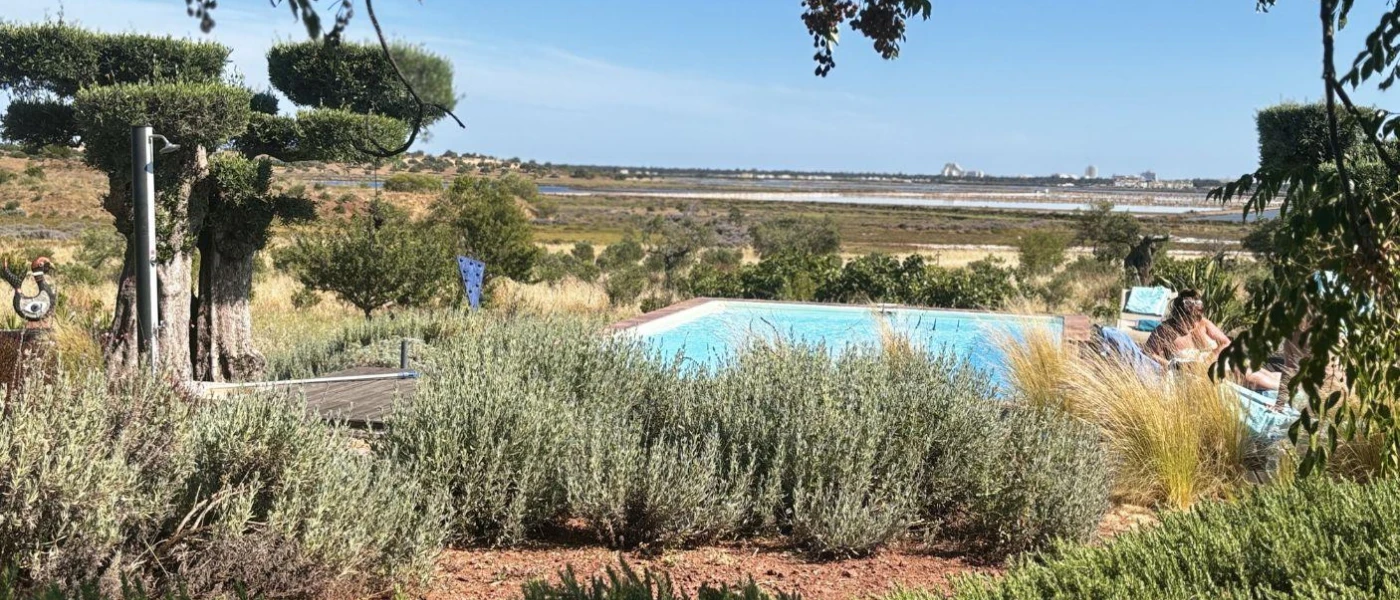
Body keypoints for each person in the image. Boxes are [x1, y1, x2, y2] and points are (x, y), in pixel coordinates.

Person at [1144, 290, 1231, 366]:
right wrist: (1170, 365)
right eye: (1187, 320)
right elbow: (1147, 352)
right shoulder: (1165, 330)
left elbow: (1226, 342)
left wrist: (1210, 359)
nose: (1192, 325)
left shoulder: (1203, 323)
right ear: (1177, 315)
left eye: (1195, 320)